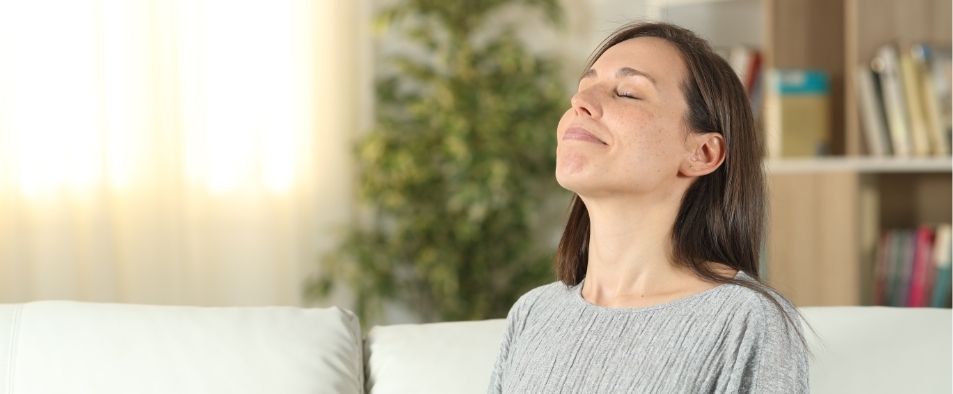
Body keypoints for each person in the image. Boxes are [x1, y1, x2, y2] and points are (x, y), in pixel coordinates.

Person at [488, 22, 809, 393]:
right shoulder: (534, 315)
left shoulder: (745, 321)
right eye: (582, 89)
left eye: (626, 93)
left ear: (702, 153)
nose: (581, 104)